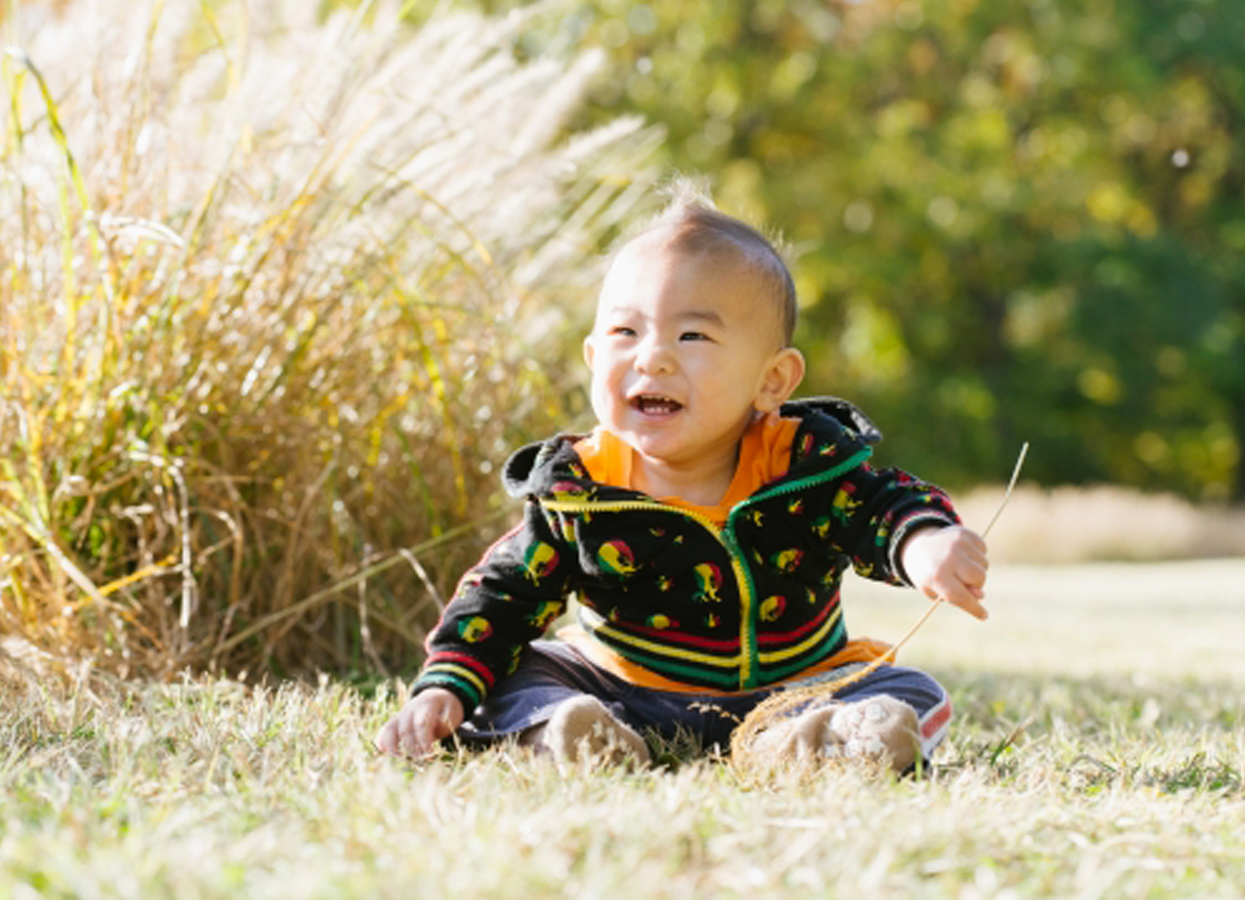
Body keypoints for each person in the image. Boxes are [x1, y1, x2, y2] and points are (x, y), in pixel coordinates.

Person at [375, 188, 989, 773]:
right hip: (623, 693)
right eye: (626, 332)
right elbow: (504, 593)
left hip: (795, 690)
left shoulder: (805, 466)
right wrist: (447, 684)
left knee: (909, 688)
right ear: (593, 358)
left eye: (692, 335)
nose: (653, 357)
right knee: (519, 673)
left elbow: (881, 506)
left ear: (772, 381)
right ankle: (571, 734)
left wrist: (921, 543)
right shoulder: (582, 490)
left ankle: (809, 746)